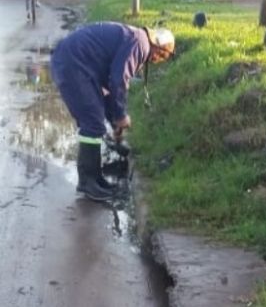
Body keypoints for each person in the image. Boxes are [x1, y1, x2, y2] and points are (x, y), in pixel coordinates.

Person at [50, 22, 175, 202]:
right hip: (73, 64)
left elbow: (110, 86)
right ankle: (87, 182)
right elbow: (119, 81)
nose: (158, 59)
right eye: (162, 54)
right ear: (158, 45)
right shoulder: (140, 44)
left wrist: (114, 119)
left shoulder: (137, 40)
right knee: (92, 123)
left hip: (76, 62)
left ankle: (95, 179)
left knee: (95, 119)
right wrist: (121, 115)